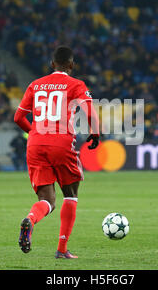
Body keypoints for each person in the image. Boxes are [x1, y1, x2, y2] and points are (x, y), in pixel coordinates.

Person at [14, 45, 99, 259]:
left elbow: (18, 118)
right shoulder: (76, 84)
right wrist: (95, 133)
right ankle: (62, 250)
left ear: (52, 64)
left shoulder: (35, 84)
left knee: (47, 200)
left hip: (35, 144)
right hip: (61, 143)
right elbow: (90, 111)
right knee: (70, 195)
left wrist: (34, 132)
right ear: (71, 65)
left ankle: (31, 219)